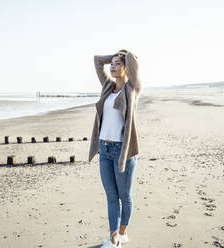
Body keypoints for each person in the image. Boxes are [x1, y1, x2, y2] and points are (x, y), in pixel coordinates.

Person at [88, 49, 142, 248]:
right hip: (104, 149)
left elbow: (134, 64)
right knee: (111, 197)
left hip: (123, 151)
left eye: (118, 63)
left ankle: (122, 233)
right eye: (111, 63)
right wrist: (113, 55)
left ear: (127, 66)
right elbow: (96, 61)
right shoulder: (107, 87)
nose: (112, 66)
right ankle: (113, 237)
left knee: (124, 196)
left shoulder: (133, 88)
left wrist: (125, 54)